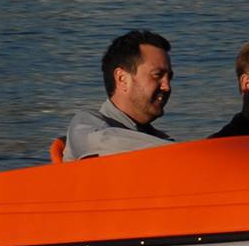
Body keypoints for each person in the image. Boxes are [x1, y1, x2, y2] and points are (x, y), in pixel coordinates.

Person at [62, 29, 176, 161]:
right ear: (122, 79)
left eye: (169, 78)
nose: (167, 86)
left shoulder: (159, 139)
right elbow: (101, 141)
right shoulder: (85, 126)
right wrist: (184, 151)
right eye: (157, 75)